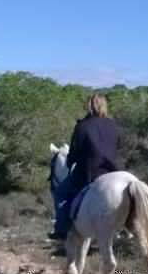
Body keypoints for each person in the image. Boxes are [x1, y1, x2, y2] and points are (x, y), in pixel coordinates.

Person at [48, 93, 121, 240]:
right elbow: (118, 146)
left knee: (61, 193)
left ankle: (61, 229)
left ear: (89, 106)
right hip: (112, 170)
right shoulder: (113, 125)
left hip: (89, 172)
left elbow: (74, 151)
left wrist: (69, 163)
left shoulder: (82, 126)